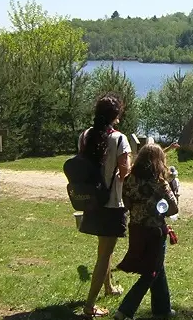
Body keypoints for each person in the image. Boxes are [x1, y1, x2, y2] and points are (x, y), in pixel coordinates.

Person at [77, 94, 131, 318]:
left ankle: (108, 287)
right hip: (112, 203)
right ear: (116, 116)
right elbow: (125, 172)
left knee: (104, 249)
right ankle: (90, 306)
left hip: (91, 201)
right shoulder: (119, 139)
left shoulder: (85, 135)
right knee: (105, 253)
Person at [114, 144, 179, 320]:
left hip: (136, 230)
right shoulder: (159, 182)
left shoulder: (129, 180)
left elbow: (126, 204)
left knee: (158, 267)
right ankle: (125, 310)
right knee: (152, 271)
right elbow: (173, 208)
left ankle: (163, 309)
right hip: (155, 232)